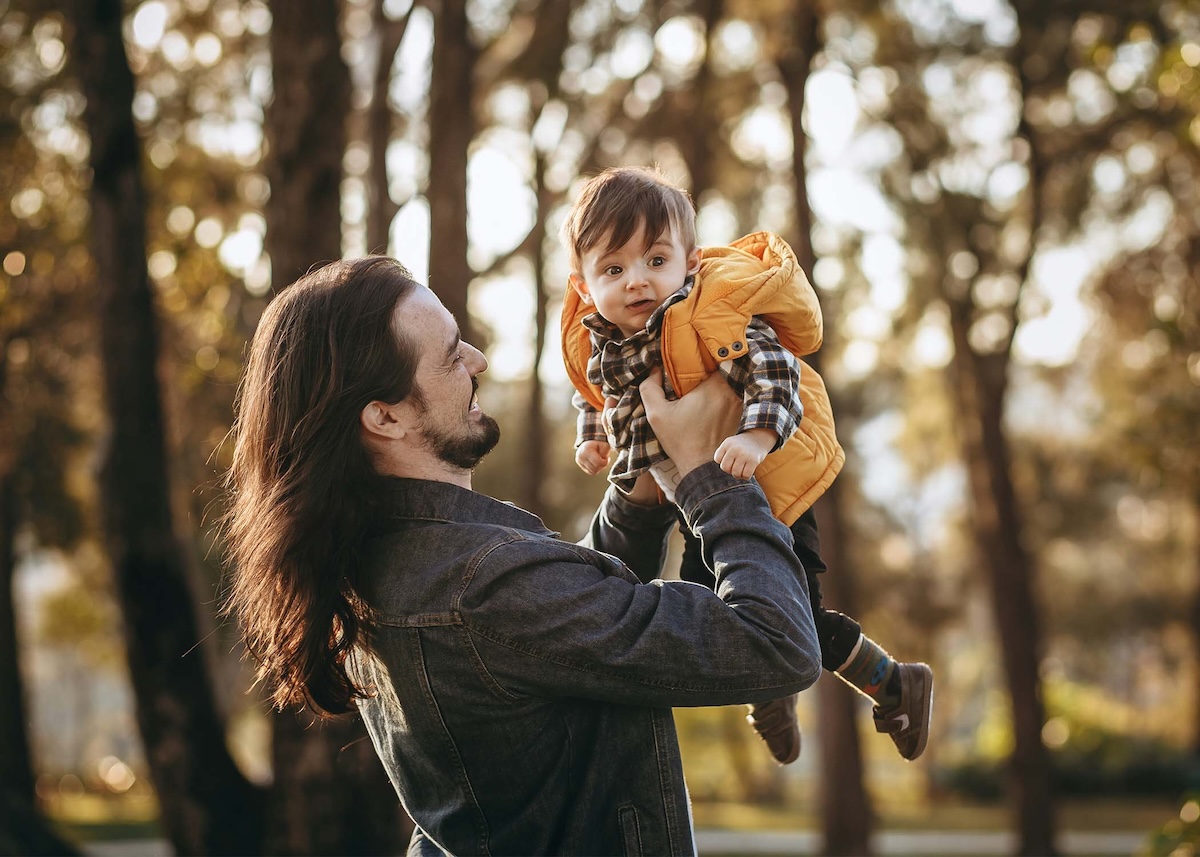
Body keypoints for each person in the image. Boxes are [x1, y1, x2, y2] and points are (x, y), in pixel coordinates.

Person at [222, 256, 824, 855]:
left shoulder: (383, 563)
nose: (478, 361)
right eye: (452, 354)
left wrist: (638, 503)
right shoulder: (484, 582)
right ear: (386, 416)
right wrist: (707, 476)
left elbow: (570, 626)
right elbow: (775, 645)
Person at [560, 166, 933, 765]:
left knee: (798, 614)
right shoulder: (605, 339)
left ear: (689, 259)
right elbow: (594, 391)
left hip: (772, 485)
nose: (638, 282)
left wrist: (757, 438)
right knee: (712, 605)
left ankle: (892, 680)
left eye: (656, 260)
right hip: (703, 499)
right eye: (614, 269)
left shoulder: (712, 314)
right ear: (582, 285)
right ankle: (771, 684)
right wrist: (593, 440)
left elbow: (776, 370)